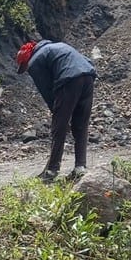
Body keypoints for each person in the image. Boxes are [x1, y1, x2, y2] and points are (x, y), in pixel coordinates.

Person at [16, 38, 96, 182]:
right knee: (81, 125)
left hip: (69, 79)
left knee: (59, 128)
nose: (27, 70)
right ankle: (80, 167)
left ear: (26, 60)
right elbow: (85, 61)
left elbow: (47, 90)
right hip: (88, 76)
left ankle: (51, 170)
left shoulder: (34, 62)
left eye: (24, 66)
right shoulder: (56, 46)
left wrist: (58, 115)